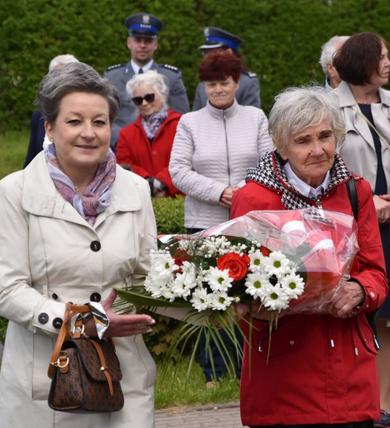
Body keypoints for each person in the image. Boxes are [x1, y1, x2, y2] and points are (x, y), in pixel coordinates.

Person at [0, 62, 158, 427]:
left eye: (99, 122)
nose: (89, 133)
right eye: (74, 121)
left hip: (124, 380)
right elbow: (8, 293)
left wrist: (204, 294)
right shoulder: (12, 194)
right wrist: (83, 321)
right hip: (48, 385)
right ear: (49, 127)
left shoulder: (136, 190)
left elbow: (148, 276)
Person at [231, 86, 388, 427]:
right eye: (303, 140)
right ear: (281, 145)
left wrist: (360, 291)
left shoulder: (355, 190)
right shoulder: (253, 198)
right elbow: (238, 291)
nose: (318, 150)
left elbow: (377, 272)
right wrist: (271, 301)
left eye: (326, 136)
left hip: (350, 367)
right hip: (284, 370)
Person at [169, 49, 272, 383]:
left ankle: (250, 368)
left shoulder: (256, 117)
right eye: (211, 84)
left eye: (223, 82)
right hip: (204, 218)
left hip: (249, 219)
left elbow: (268, 163)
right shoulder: (189, 122)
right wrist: (219, 192)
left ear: (236, 82)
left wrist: (241, 192)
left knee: (246, 292)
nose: (217, 90)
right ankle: (214, 371)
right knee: (208, 295)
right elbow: (178, 171)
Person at [332, 32, 390, 427]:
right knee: (354, 312)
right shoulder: (329, 105)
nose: (388, 63)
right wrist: (369, 201)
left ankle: (383, 403)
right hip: (351, 224)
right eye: (382, 57)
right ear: (363, 60)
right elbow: (323, 161)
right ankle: (353, 400)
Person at [105, 12, 189, 147]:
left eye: (148, 41)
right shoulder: (112, 77)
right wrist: (123, 139)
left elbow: (182, 117)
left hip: (162, 150)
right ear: (129, 43)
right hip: (120, 147)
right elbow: (105, 116)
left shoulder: (171, 77)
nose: (143, 45)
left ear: (156, 44)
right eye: (138, 40)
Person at [115, 70, 181, 197]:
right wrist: (149, 183)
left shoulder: (181, 124)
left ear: (162, 94)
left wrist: (162, 182)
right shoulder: (126, 133)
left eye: (149, 97)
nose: (144, 103)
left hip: (176, 198)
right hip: (142, 197)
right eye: (138, 100)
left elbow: (185, 161)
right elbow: (125, 166)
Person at [24, 54, 79, 167]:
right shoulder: (39, 115)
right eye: (57, 77)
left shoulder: (88, 113)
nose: (62, 82)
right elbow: (32, 156)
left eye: (68, 77)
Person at [192, 27, 261, 110]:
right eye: (206, 53)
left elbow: (251, 118)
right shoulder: (202, 84)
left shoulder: (247, 82)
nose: (208, 57)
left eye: (213, 52)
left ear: (229, 52)